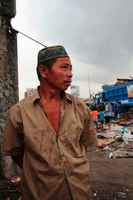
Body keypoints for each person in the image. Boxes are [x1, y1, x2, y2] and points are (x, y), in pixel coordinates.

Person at [3, 45, 96, 200]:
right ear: (44, 71)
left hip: (80, 191)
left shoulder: (80, 108)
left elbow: (84, 145)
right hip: (40, 193)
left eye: (71, 68)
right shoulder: (19, 112)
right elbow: (15, 152)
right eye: (64, 68)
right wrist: (41, 170)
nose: (70, 74)